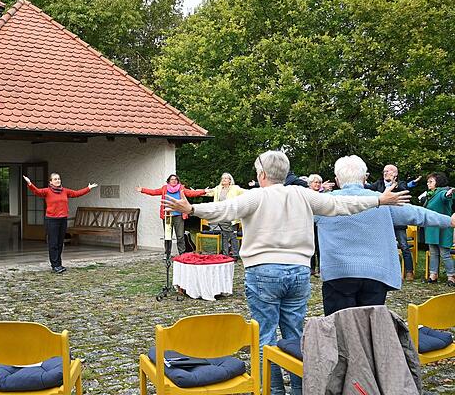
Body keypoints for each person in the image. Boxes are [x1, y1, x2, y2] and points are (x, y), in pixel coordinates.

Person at [164, 150, 410, 395]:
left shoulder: (255, 197)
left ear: (261, 174)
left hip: (262, 273)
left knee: (266, 336)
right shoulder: (303, 194)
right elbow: (340, 204)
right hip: (299, 273)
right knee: (296, 335)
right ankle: (301, 389)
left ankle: (273, 391)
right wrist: (378, 200)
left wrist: (192, 209)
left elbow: (224, 209)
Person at [315, 156, 455, 315]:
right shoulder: (383, 200)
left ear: (337, 180)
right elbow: (417, 213)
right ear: (364, 178)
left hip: (337, 274)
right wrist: (449, 221)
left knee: (339, 329)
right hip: (376, 275)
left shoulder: (323, 202)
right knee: (372, 329)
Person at [23, 173, 97, 273]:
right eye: (55, 179)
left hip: (63, 219)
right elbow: (37, 192)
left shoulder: (65, 191)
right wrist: (30, 183)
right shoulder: (47, 191)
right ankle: (55, 265)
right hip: (52, 220)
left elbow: (76, 193)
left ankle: (59, 264)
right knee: (53, 243)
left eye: (58, 179)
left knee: (59, 243)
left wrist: (88, 188)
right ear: (50, 181)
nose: (57, 181)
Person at [365, 164, 422, 281]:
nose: (385, 173)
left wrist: (393, 184)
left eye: (388, 171)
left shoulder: (400, 184)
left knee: (404, 246)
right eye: (384, 171)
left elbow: (405, 191)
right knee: (380, 246)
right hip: (383, 220)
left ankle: (409, 272)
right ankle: (381, 271)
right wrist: (363, 181)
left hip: (398, 222)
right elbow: (367, 190)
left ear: (395, 174)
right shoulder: (379, 184)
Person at [136, 174, 206, 254]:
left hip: (179, 215)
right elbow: (154, 192)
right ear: (169, 181)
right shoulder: (164, 189)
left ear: (178, 181)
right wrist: (142, 189)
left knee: (180, 236)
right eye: (172, 179)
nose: (174, 181)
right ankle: (167, 254)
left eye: (175, 179)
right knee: (168, 236)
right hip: (167, 216)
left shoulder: (181, 188)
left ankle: (182, 254)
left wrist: (203, 191)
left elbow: (191, 193)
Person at [421, 172, 455, 286]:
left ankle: (451, 276)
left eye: (431, 181)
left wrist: (448, 194)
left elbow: (445, 197)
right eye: (427, 181)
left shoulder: (442, 192)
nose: (428, 183)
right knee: (433, 252)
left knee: (444, 253)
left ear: (438, 182)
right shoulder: (430, 194)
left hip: (443, 227)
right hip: (431, 227)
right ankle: (433, 275)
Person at [205, 173, 245, 258]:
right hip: (221, 215)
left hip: (231, 216)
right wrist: (197, 191)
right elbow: (208, 193)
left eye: (226, 178)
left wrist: (259, 190)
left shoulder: (235, 188)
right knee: (224, 235)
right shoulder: (218, 188)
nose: (223, 180)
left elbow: (245, 192)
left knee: (233, 236)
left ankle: (235, 254)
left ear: (230, 180)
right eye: (222, 178)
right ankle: (225, 254)